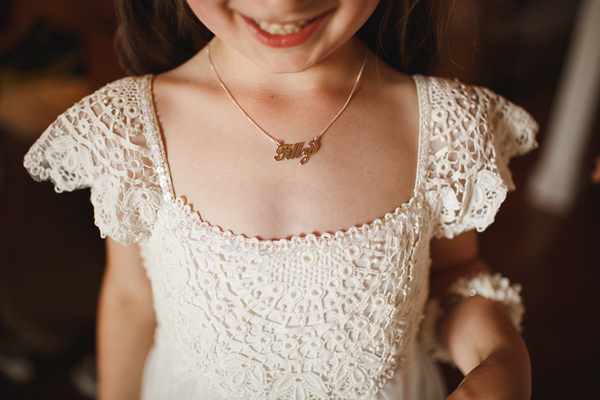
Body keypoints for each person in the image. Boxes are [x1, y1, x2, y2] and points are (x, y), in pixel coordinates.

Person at [23, 0, 538, 399]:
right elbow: (132, 298)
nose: (282, 4)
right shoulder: (134, 130)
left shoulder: (445, 128)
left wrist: (501, 359)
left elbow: (453, 278)